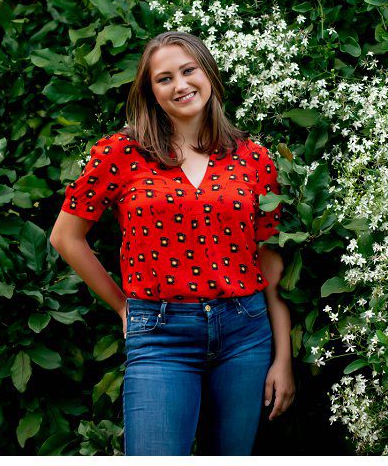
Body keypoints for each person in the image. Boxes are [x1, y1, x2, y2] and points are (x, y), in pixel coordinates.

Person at [49, 31, 297, 456]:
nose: (180, 85)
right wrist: (124, 306)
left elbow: (268, 264)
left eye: (188, 71)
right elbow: (65, 237)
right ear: (151, 93)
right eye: (164, 79)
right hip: (160, 335)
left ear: (209, 75)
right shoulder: (120, 152)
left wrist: (283, 357)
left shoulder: (254, 158)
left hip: (245, 334)